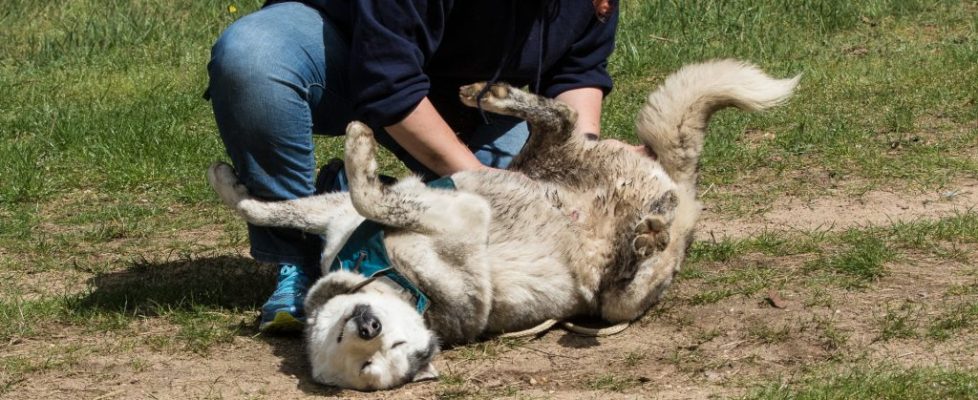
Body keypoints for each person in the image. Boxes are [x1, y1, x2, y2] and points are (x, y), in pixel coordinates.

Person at [206, 0, 621, 332]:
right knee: (253, 59)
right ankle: (297, 257)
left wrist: (580, 171)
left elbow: (576, 72)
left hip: (466, 96)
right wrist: (479, 182)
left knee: (516, 234)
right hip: (347, 51)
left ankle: (350, 201)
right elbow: (388, 80)